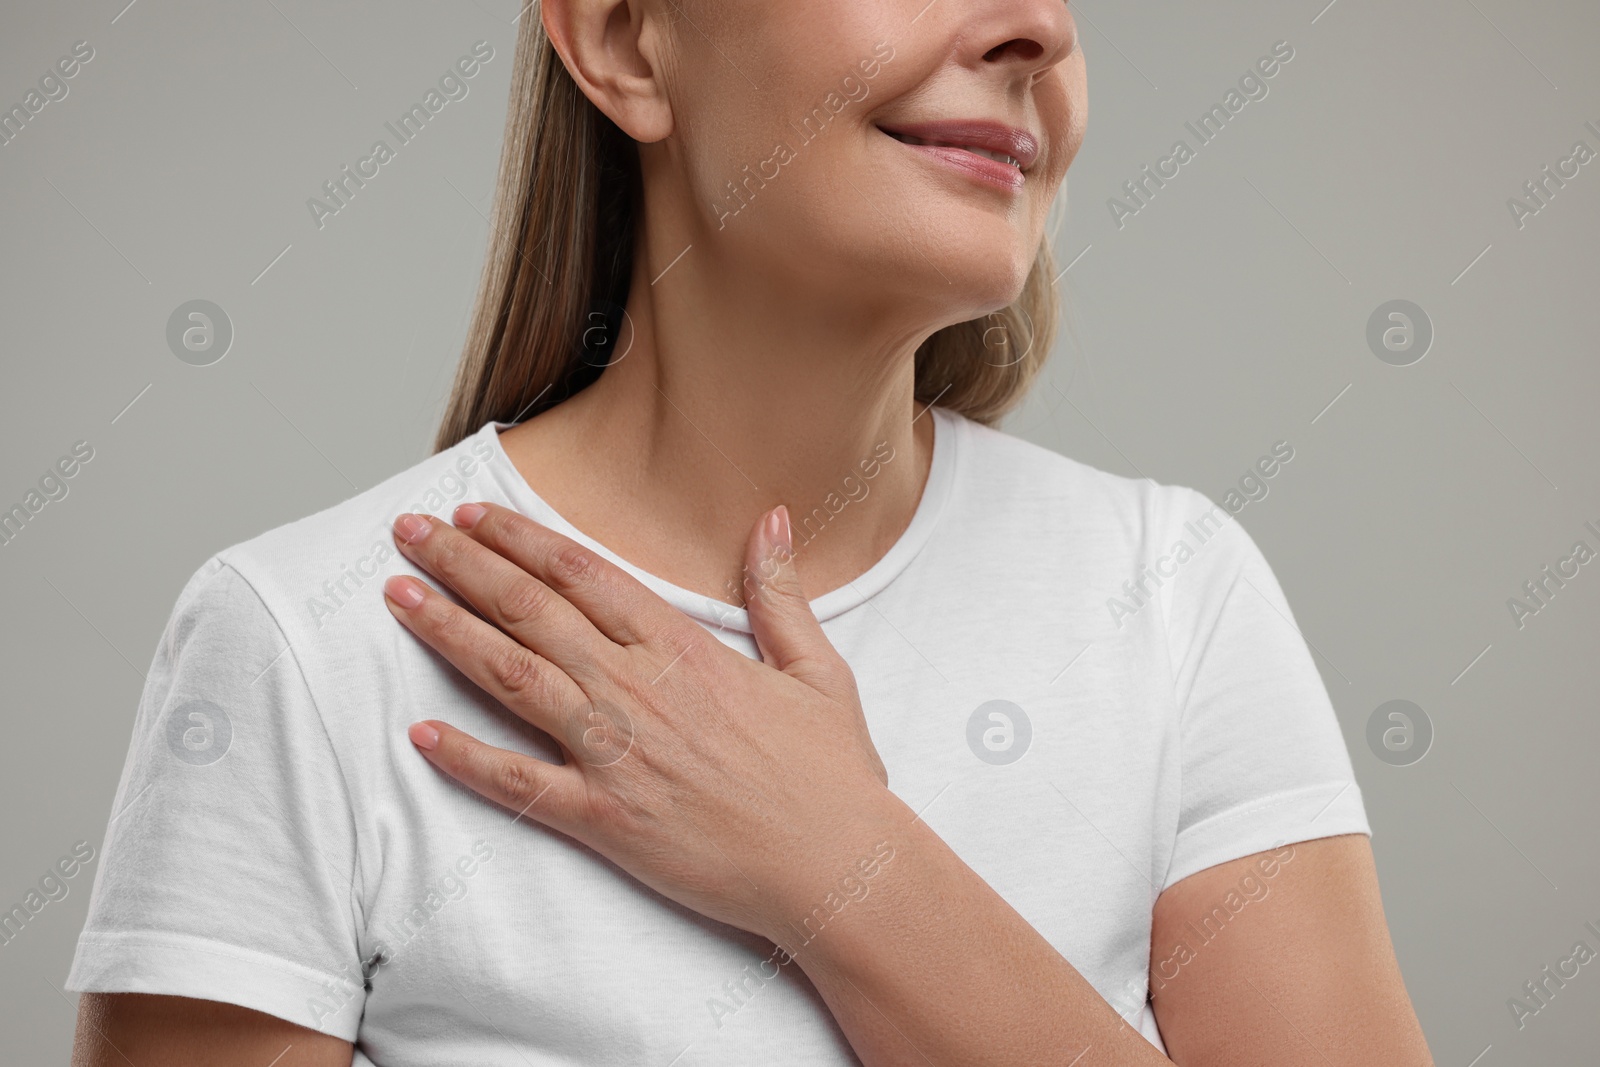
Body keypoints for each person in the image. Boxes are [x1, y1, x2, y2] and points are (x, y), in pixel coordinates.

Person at [67, 1, 1434, 1064]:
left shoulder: (1173, 594)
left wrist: (848, 872)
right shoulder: (308, 647)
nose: (1043, 29)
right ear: (623, 40)